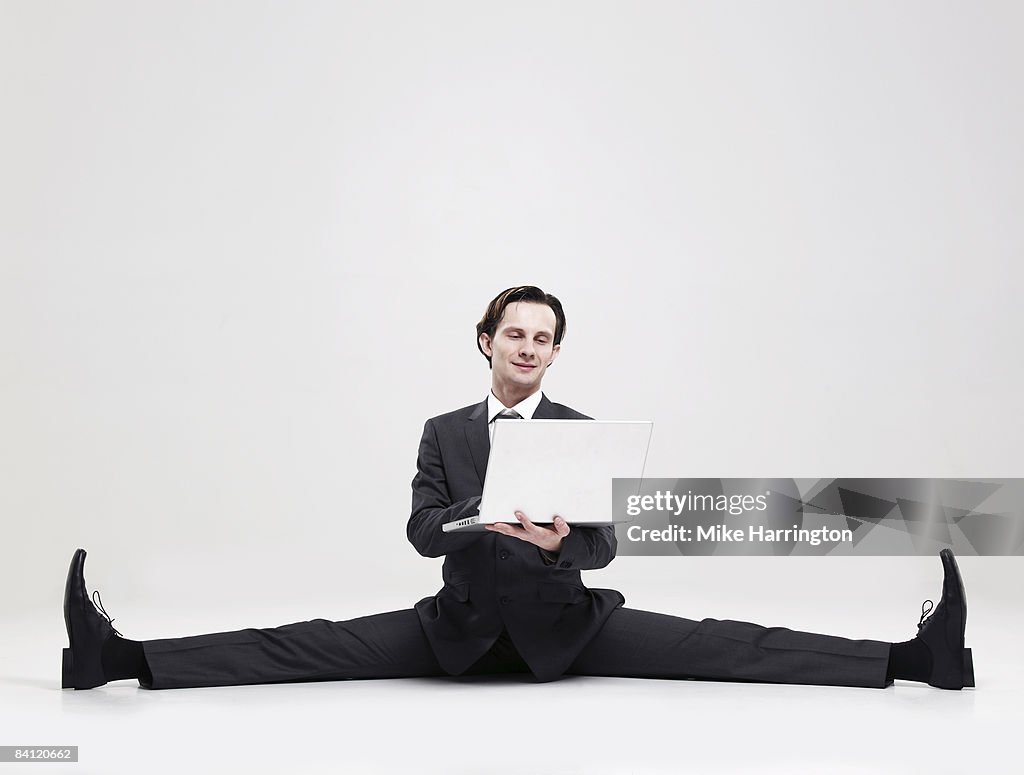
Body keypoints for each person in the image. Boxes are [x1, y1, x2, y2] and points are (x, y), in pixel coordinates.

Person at [61, 286, 975, 691]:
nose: (529, 347)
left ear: (554, 350)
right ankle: (119, 657)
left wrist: (559, 544)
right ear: (487, 339)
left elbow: (607, 543)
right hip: (452, 630)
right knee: (304, 644)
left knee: (729, 644)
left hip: (570, 627)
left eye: (544, 337)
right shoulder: (444, 433)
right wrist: (476, 517)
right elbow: (421, 531)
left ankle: (913, 659)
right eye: (515, 333)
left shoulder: (582, 431)